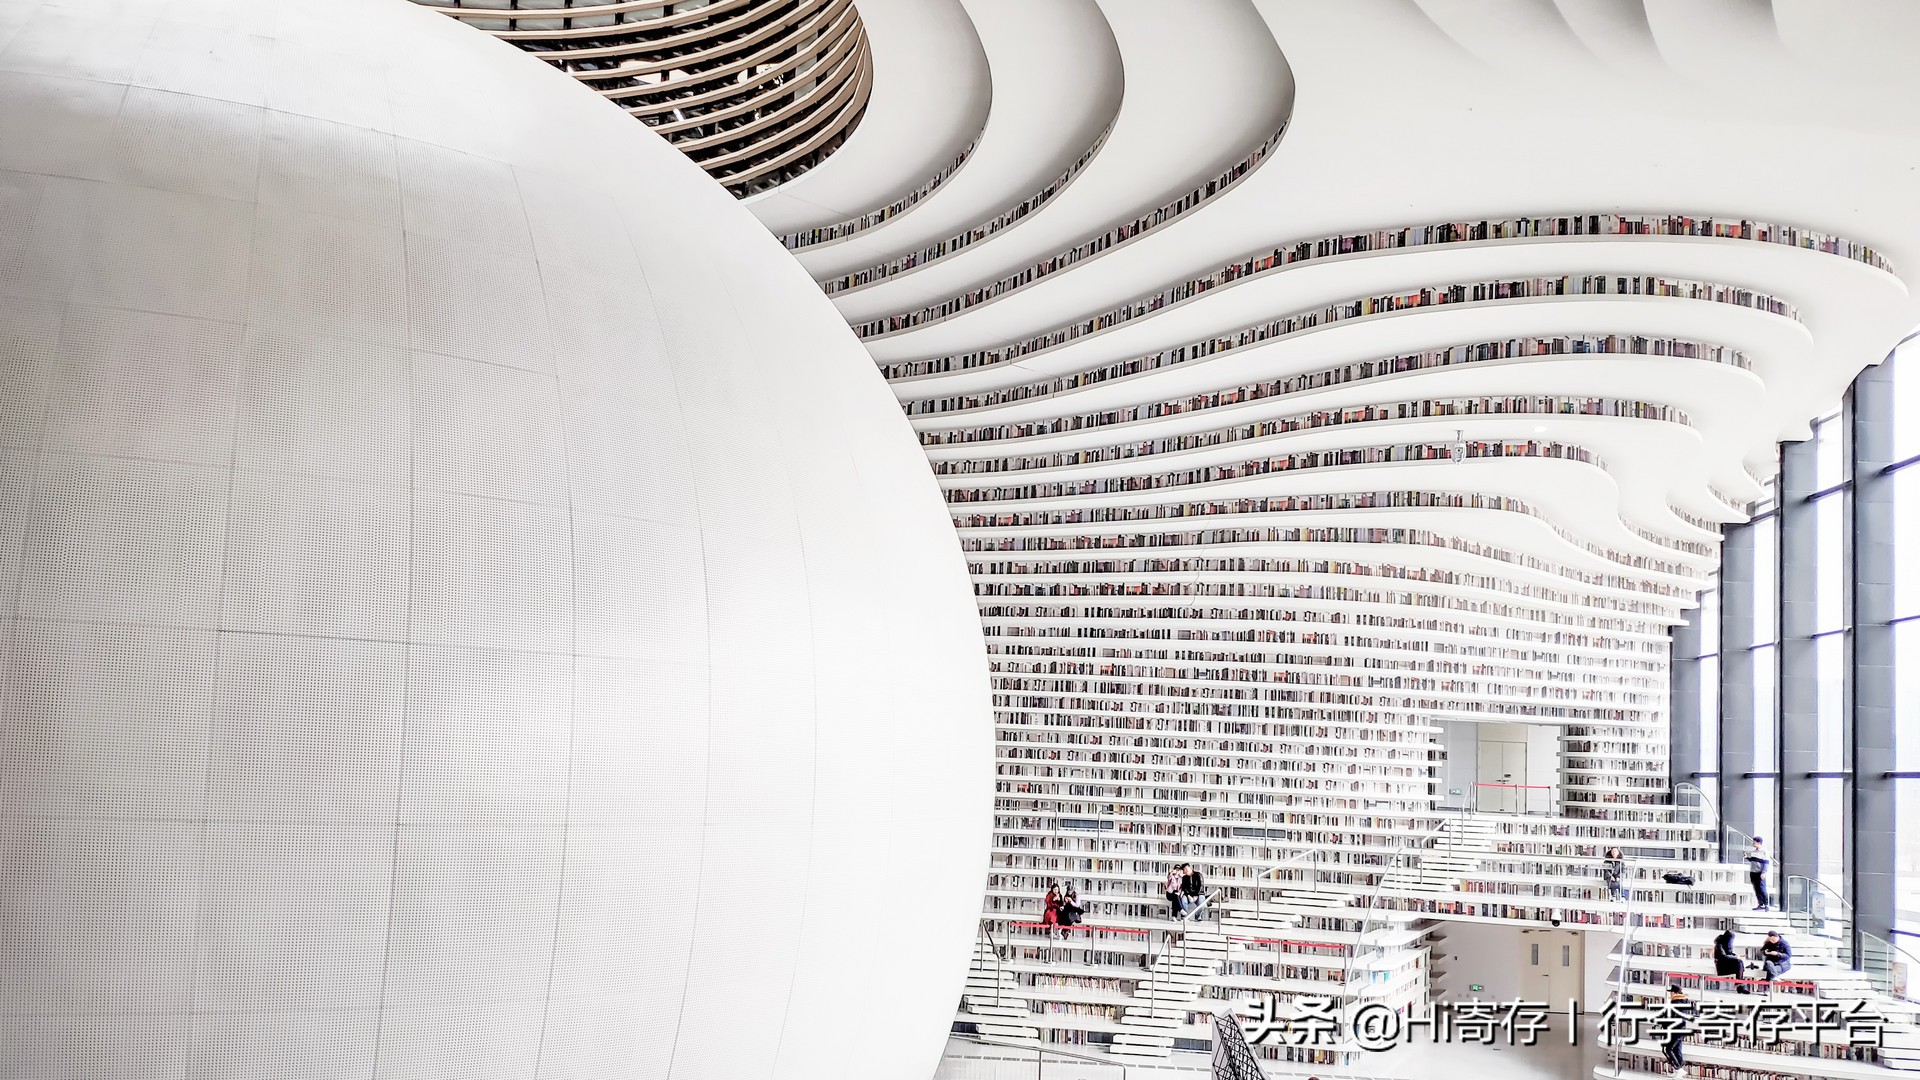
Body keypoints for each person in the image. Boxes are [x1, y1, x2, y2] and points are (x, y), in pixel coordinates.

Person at [1662, 983, 1694, 1077]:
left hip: (1676, 1029)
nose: (1670, 994)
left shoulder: (1676, 1003)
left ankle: (1678, 1069)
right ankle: (1678, 1072)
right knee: (1677, 1050)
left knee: (1668, 1049)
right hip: (1682, 1029)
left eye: (1671, 992)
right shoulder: (1684, 1001)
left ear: (1674, 992)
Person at [1711, 927, 1747, 994]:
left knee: (1740, 963)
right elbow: (1723, 956)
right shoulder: (1719, 945)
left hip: (1726, 964)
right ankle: (1739, 985)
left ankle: (1739, 985)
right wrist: (1736, 957)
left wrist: (1737, 956)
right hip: (1721, 966)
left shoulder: (1726, 944)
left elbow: (1729, 954)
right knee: (1739, 963)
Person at [1746, 837, 1771, 910]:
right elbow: (1753, 860)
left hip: (1760, 873)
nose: (1753, 843)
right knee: (1756, 889)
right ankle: (1760, 904)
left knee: (1762, 889)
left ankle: (1766, 904)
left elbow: (1766, 863)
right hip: (1753, 872)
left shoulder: (1764, 852)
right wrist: (1747, 857)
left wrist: (1764, 872)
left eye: (1754, 842)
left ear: (1758, 843)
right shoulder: (1754, 851)